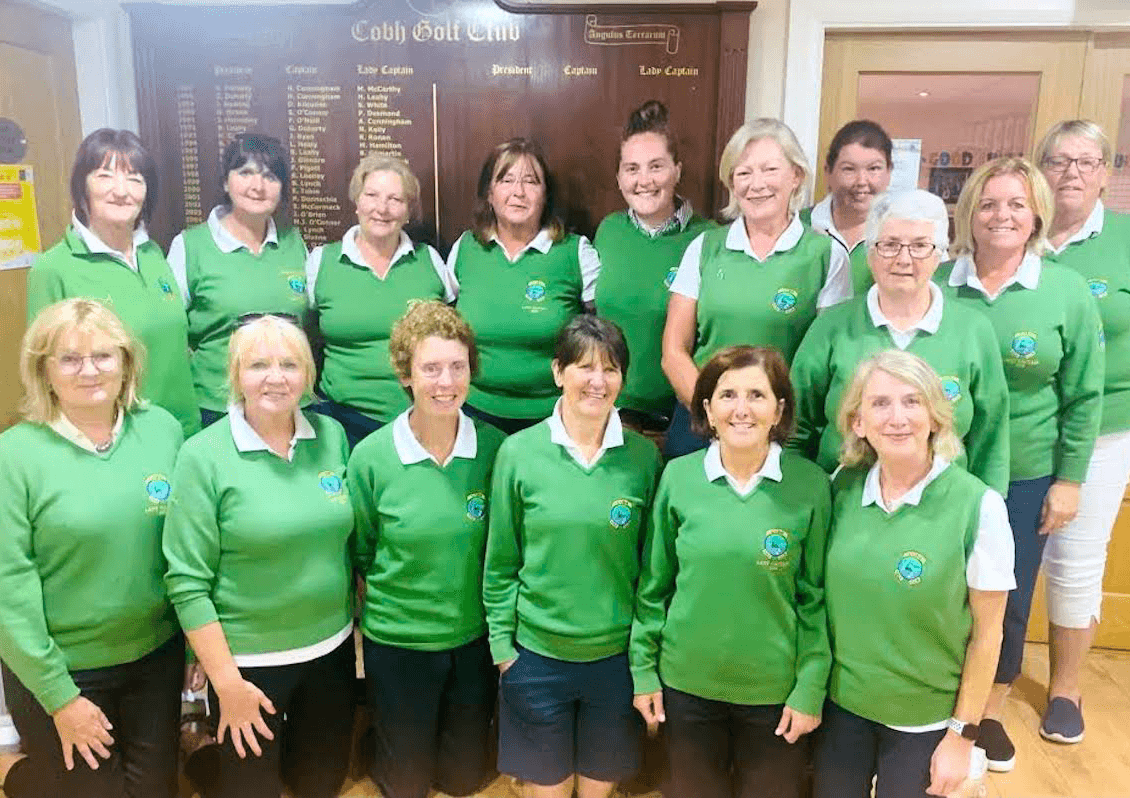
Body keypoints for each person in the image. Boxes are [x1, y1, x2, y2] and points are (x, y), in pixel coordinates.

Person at [937, 157, 1104, 772]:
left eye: (1014, 203)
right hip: (944, 470)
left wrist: (1069, 479)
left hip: (1026, 474)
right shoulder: (939, 280)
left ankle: (989, 713)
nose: (1001, 215)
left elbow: (1085, 394)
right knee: (938, 590)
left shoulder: (1063, 292)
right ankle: (937, 706)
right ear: (969, 214)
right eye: (987, 204)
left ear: (1035, 213)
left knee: (1004, 596)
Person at [162, 315, 355, 798]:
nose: (275, 377)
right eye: (259, 365)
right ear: (235, 376)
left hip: (329, 649)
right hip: (246, 661)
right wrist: (226, 685)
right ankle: (200, 746)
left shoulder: (331, 437)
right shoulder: (202, 455)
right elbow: (186, 581)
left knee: (320, 786)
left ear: (308, 375)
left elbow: (352, 543)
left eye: (290, 364)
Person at [0, 299, 185, 798]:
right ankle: (12, 769)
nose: (89, 371)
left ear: (127, 362)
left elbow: (184, 555)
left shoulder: (163, 431)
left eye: (104, 356)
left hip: (153, 655)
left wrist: (193, 641)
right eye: (69, 359)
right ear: (44, 370)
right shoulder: (14, 455)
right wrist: (61, 700)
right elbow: (7, 589)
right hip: (62, 667)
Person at [631, 345, 830, 798]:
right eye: (728, 395)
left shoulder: (810, 486)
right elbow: (653, 587)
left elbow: (814, 598)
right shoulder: (677, 479)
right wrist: (644, 672)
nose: (742, 409)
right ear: (707, 409)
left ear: (779, 409)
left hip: (775, 694)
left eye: (757, 395)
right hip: (686, 686)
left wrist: (810, 687)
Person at [813, 350, 1014, 798]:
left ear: (935, 417)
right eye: (880, 403)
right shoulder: (840, 487)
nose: (897, 417)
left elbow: (988, 636)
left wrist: (961, 738)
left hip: (926, 717)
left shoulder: (978, 506)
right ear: (858, 422)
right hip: (842, 708)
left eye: (912, 401)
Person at [484, 315, 663, 798]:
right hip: (535, 659)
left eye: (611, 370)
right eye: (584, 367)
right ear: (558, 371)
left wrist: (642, 658)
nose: (598, 382)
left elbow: (652, 573)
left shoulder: (642, 459)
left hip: (613, 661)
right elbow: (501, 560)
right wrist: (504, 650)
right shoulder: (518, 454)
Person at [350, 301, 505, 798]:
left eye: (457, 367)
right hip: (400, 642)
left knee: (464, 781)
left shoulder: (496, 450)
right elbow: (362, 548)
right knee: (407, 785)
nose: (445, 382)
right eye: (430, 368)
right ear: (405, 374)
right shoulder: (372, 456)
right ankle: (385, 739)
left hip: (470, 640)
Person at [791, 189, 1010, 493]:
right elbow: (795, 426)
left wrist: (989, 509)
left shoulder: (973, 330)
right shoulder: (831, 326)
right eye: (890, 245)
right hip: (842, 500)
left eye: (920, 246)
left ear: (939, 256)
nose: (904, 259)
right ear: (870, 255)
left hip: (942, 506)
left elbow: (991, 435)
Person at [662, 118, 849, 458]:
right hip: (701, 424)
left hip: (784, 430)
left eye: (769, 169)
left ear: (796, 176)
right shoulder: (705, 248)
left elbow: (826, 363)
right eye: (743, 173)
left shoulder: (826, 255)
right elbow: (674, 351)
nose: (756, 184)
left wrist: (764, 422)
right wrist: (718, 417)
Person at [1035, 119, 1130, 745]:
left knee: (1075, 562)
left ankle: (1066, 689)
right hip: (1017, 427)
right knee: (996, 559)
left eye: (1086, 161)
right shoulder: (1014, 229)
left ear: (1106, 172)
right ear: (1041, 167)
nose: (1072, 172)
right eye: (1059, 160)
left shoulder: (1124, 240)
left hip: (1101, 431)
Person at [26, 128, 199, 438]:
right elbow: (42, 376)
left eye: (135, 179)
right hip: (114, 442)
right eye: (105, 176)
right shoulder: (54, 269)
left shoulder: (152, 253)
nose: (122, 191)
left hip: (181, 430)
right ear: (82, 187)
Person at [450, 138, 600, 434]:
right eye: (506, 180)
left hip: (555, 419)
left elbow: (604, 332)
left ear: (545, 195)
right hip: (474, 414)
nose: (518, 192)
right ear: (489, 193)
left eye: (531, 182)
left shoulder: (575, 252)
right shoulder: (466, 248)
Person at [308, 154, 457, 448]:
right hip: (341, 421)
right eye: (372, 195)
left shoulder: (430, 261)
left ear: (408, 211)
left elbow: (453, 335)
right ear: (357, 202)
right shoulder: (320, 262)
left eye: (395, 199)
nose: (382, 208)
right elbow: (305, 338)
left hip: (419, 420)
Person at [167, 133, 309, 427]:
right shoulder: (190, 247)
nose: (257, 186)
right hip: (217, 410)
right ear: (225, 182)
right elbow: (172, 332)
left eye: (270, 176)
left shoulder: (295, 244)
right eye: (245, 173)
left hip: (290, 408)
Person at [593, 100, 716, 434]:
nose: (643, 180)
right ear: (618, 177)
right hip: (611, 416)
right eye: (632, 168)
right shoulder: (608, 231)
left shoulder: (708, 239)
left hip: (681, 418)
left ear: (677, 169)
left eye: (656, 166)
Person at [802, 120, 893, 296]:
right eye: (849, 169)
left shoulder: (909, 234)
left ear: (889, 172)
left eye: (874, 169)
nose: (862, 181)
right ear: (828, 172)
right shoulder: (797, 227)